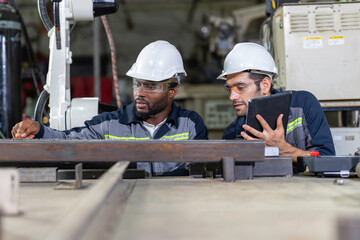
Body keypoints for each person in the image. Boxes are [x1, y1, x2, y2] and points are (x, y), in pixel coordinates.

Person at [12, 40, 209, 175]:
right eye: (137, 83)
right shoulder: (110, 125)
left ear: (172, 89)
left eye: (150, 85)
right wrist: (39, 131)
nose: (140, 92)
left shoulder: (190, 125)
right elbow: (68, 141)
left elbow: (201, 176)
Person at [218, 42, 335, 162]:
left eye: (240, 87)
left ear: (265, 85)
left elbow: (327, 159)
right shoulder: (233, 132)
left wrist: (283, 149)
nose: (232, 97)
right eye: (229, 89)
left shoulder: (302, 105)